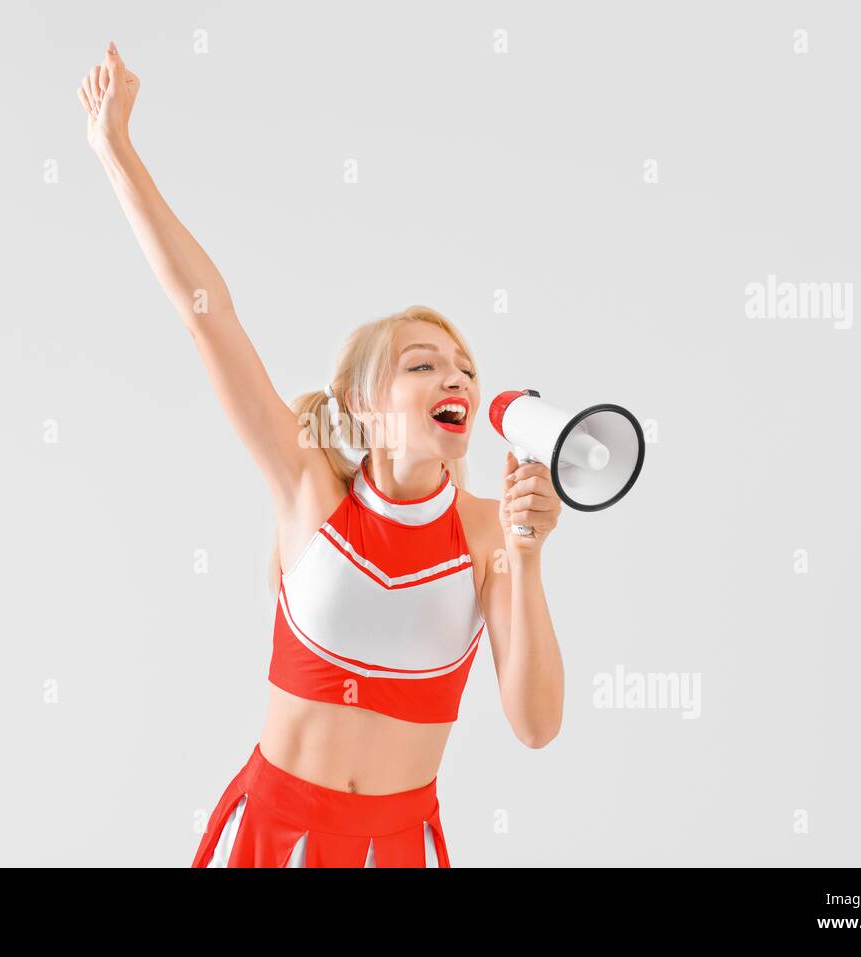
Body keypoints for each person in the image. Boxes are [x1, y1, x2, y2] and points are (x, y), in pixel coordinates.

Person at [78, 41, 565, 867]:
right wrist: (116, 149)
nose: (455, 376)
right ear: (367, 406)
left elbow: (536, 724)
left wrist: (527, 555)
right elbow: (209, 314)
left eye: (465, 369)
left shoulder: (487, 533)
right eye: (422, 364)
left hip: (398, 846)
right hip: (272, 833)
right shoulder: (308, 488)